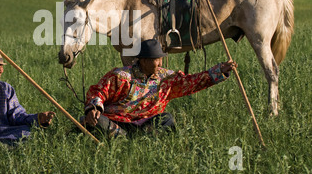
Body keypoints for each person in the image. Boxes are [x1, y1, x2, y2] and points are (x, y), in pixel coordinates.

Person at [82, 39, 237, 138]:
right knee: (90, 121)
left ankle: (133, 139)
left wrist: (218, 71)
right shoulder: (121, 76)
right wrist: (93, 109)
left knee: (166, 119)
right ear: (142, 61)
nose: (160, 64)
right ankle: (122, 136)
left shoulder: (166, 78)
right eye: (155, 60)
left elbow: (191, 82)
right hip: (118, 121)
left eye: (160, 59)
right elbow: (98, 92)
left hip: (145, 124)